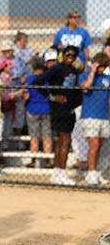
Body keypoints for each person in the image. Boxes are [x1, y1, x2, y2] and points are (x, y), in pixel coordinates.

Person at [35, 45, 82, 185]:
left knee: (62, 141)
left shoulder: (75, 70)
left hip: (69, 109)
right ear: (62, 55)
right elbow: (37, 82)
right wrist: (52, 97)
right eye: (68, 55)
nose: (70, 58)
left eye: (73, 56)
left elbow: (77, 91)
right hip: (58, 108)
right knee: (65, 140)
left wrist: (74, 103)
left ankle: (57, 172)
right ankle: (61, 171)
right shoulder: (57, 68)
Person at [78, 53, 110, 184]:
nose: (101, 69)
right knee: (94, 144)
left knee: (100, 146)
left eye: (103, 66)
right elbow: (85, 88)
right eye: (99, 66)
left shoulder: (107, 78)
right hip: (90, 115)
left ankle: (97, 172)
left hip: (104, 116)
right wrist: (92, 71)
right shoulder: (84, 75)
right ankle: (90, 172)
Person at [23, 58, 54, 169]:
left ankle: (33, 160)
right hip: (46, 108)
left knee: (34, 136)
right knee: (47, 135)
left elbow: (27, 96)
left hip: (32, 108)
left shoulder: (30, 79)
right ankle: (48, 161)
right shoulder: (47, 79)